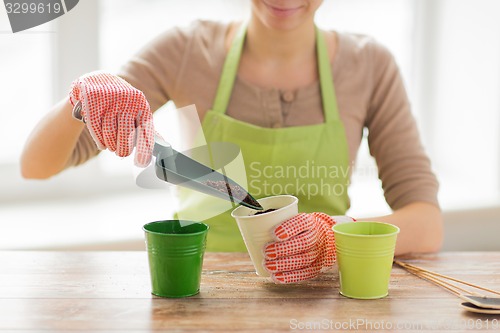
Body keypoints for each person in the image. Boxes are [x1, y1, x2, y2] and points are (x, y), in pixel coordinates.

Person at [21, 0, 443, 283]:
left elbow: (427, 224)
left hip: (322, 295)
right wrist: (82, 94)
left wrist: (335, 237)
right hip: (203, 296)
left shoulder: (370, 65)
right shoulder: (185, 51)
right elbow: (36, 165)